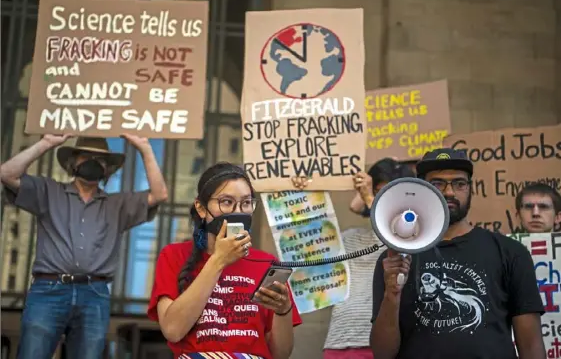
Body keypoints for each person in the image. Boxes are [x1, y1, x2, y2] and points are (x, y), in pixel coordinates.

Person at [0, 134, 168, 359]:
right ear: (72, 163)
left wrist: (145, 148)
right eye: (86, 156)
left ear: (107, 169)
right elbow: (6, 174)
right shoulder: (49, 192)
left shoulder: (117, 204)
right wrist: (47, 143)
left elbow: (159, 194)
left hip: (94, 293)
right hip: (48, 290)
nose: (93, 162)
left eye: (100, 159)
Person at [369, 148, 545, 359]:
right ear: (422, 190)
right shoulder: (395, 259)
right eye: (438, 184)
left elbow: (531, 345)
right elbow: (382, 353)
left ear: (471, 189)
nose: (450, 192)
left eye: (459, 183)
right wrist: (392, 294)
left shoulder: (509, 252)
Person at [147, 162, 302, 359]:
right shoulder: (173, 255)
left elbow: (280, 354)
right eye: (226, 202)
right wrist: (219, 260)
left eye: (246, 203)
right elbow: (172, 330)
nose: (237, 211)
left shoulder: (267, 263)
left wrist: (283, 311)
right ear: (201, 208)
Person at [323, 159, 415, 359]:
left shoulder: (409, 240)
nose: (380, 198)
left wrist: (368, 195)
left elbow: (392, 230)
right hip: (338, 343)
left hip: (378, 346)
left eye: (388, 194)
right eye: (378, 191)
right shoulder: (350, 237)